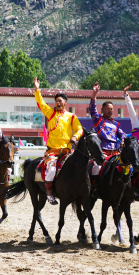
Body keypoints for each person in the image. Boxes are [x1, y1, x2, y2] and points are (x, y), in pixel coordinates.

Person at [34, 76, 83, 205]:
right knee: (51, 169)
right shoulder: (51, 113)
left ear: (65, 102)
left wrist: (75, 137)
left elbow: (80, 129)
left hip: (68, 151)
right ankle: (49, 194)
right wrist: (37, 90)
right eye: (56, 101)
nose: (58, 103)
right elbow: (41, 103)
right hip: (53, 151)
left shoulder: (71, 117)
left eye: (60, 101)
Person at [89, 82, 127, 178]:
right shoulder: (98, 120)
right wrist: (94, 93)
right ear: (103, 110)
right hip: (102, 152)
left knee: (126, 167)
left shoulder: (116, 124)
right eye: (108, 109)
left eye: (111, 109)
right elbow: (92, 109)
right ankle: (93, 184)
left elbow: (122, 135)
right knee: (97, 166)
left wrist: (123, 140)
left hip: (115, 152)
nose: (110, 110)